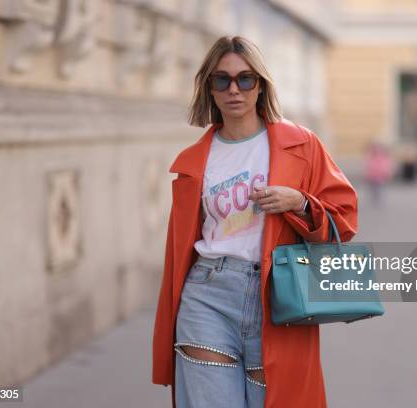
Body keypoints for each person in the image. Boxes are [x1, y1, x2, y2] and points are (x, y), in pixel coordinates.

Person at [151, 36, 358, 408]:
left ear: (260, 85)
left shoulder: (301, 145)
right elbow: (178, 250)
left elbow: (343, 218)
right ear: (209, 88)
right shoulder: (193, 162)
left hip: (278, 296)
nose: (234, 89)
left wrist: (300, 203)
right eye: (222, 80)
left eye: (245, 79)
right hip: (207, 294)